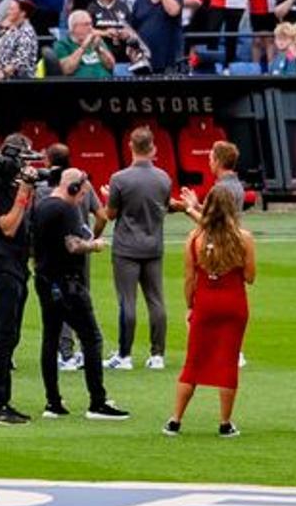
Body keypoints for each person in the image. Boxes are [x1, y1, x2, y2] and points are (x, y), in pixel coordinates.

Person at [30, 164, 123, 418]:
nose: (83, 198)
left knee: (50, 339)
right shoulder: (68, 209)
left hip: (45, 279)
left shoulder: (40, 206)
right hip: (68, 282)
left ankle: (53, 401)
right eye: (82, 193)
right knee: (92, 338)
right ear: (74, 188)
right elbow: (73, 245)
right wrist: (94, 245)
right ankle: (97, 401)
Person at [172, 183, 257, 437]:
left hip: (205, 303)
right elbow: (250, 277)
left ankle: (175, 419)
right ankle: (224, 422)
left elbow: (189, 280)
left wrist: (190, 306)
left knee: (193, 361)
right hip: (233, 303)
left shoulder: (194, 239)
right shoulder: (244, 238)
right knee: (228, 362)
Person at [0, 135, 40, 423]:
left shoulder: (9, 187)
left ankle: (3, 400)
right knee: (3, 336)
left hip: (16, 264)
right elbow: (9, 227)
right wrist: (24, 191)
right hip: (3, 266)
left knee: (11, 335)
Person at [107, 127, 176, 371]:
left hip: (126, 247)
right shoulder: (164, 178)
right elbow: (165, 206)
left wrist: (108, 197)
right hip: (153, 245)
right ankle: (158, 354)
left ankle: (124, 355)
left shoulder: (119, 179)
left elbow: (111, 213)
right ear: (153, 147)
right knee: (156, 301)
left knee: (127, 301)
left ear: (131, 146)